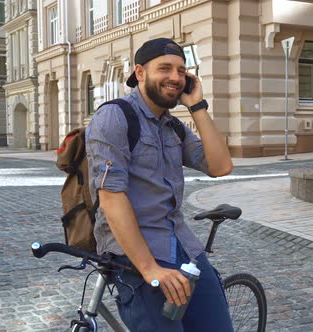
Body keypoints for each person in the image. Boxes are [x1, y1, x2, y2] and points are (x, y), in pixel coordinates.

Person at [85, 38, 234, 332]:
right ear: (140, 73)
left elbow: (221, 166)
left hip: (182, 245)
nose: (175, 78)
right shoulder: (114, 116)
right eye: (164, 68)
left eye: (181, 71)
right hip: (136, 256)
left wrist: (198, 106)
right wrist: (149, 268)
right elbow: (112, 198)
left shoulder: (173, 125)